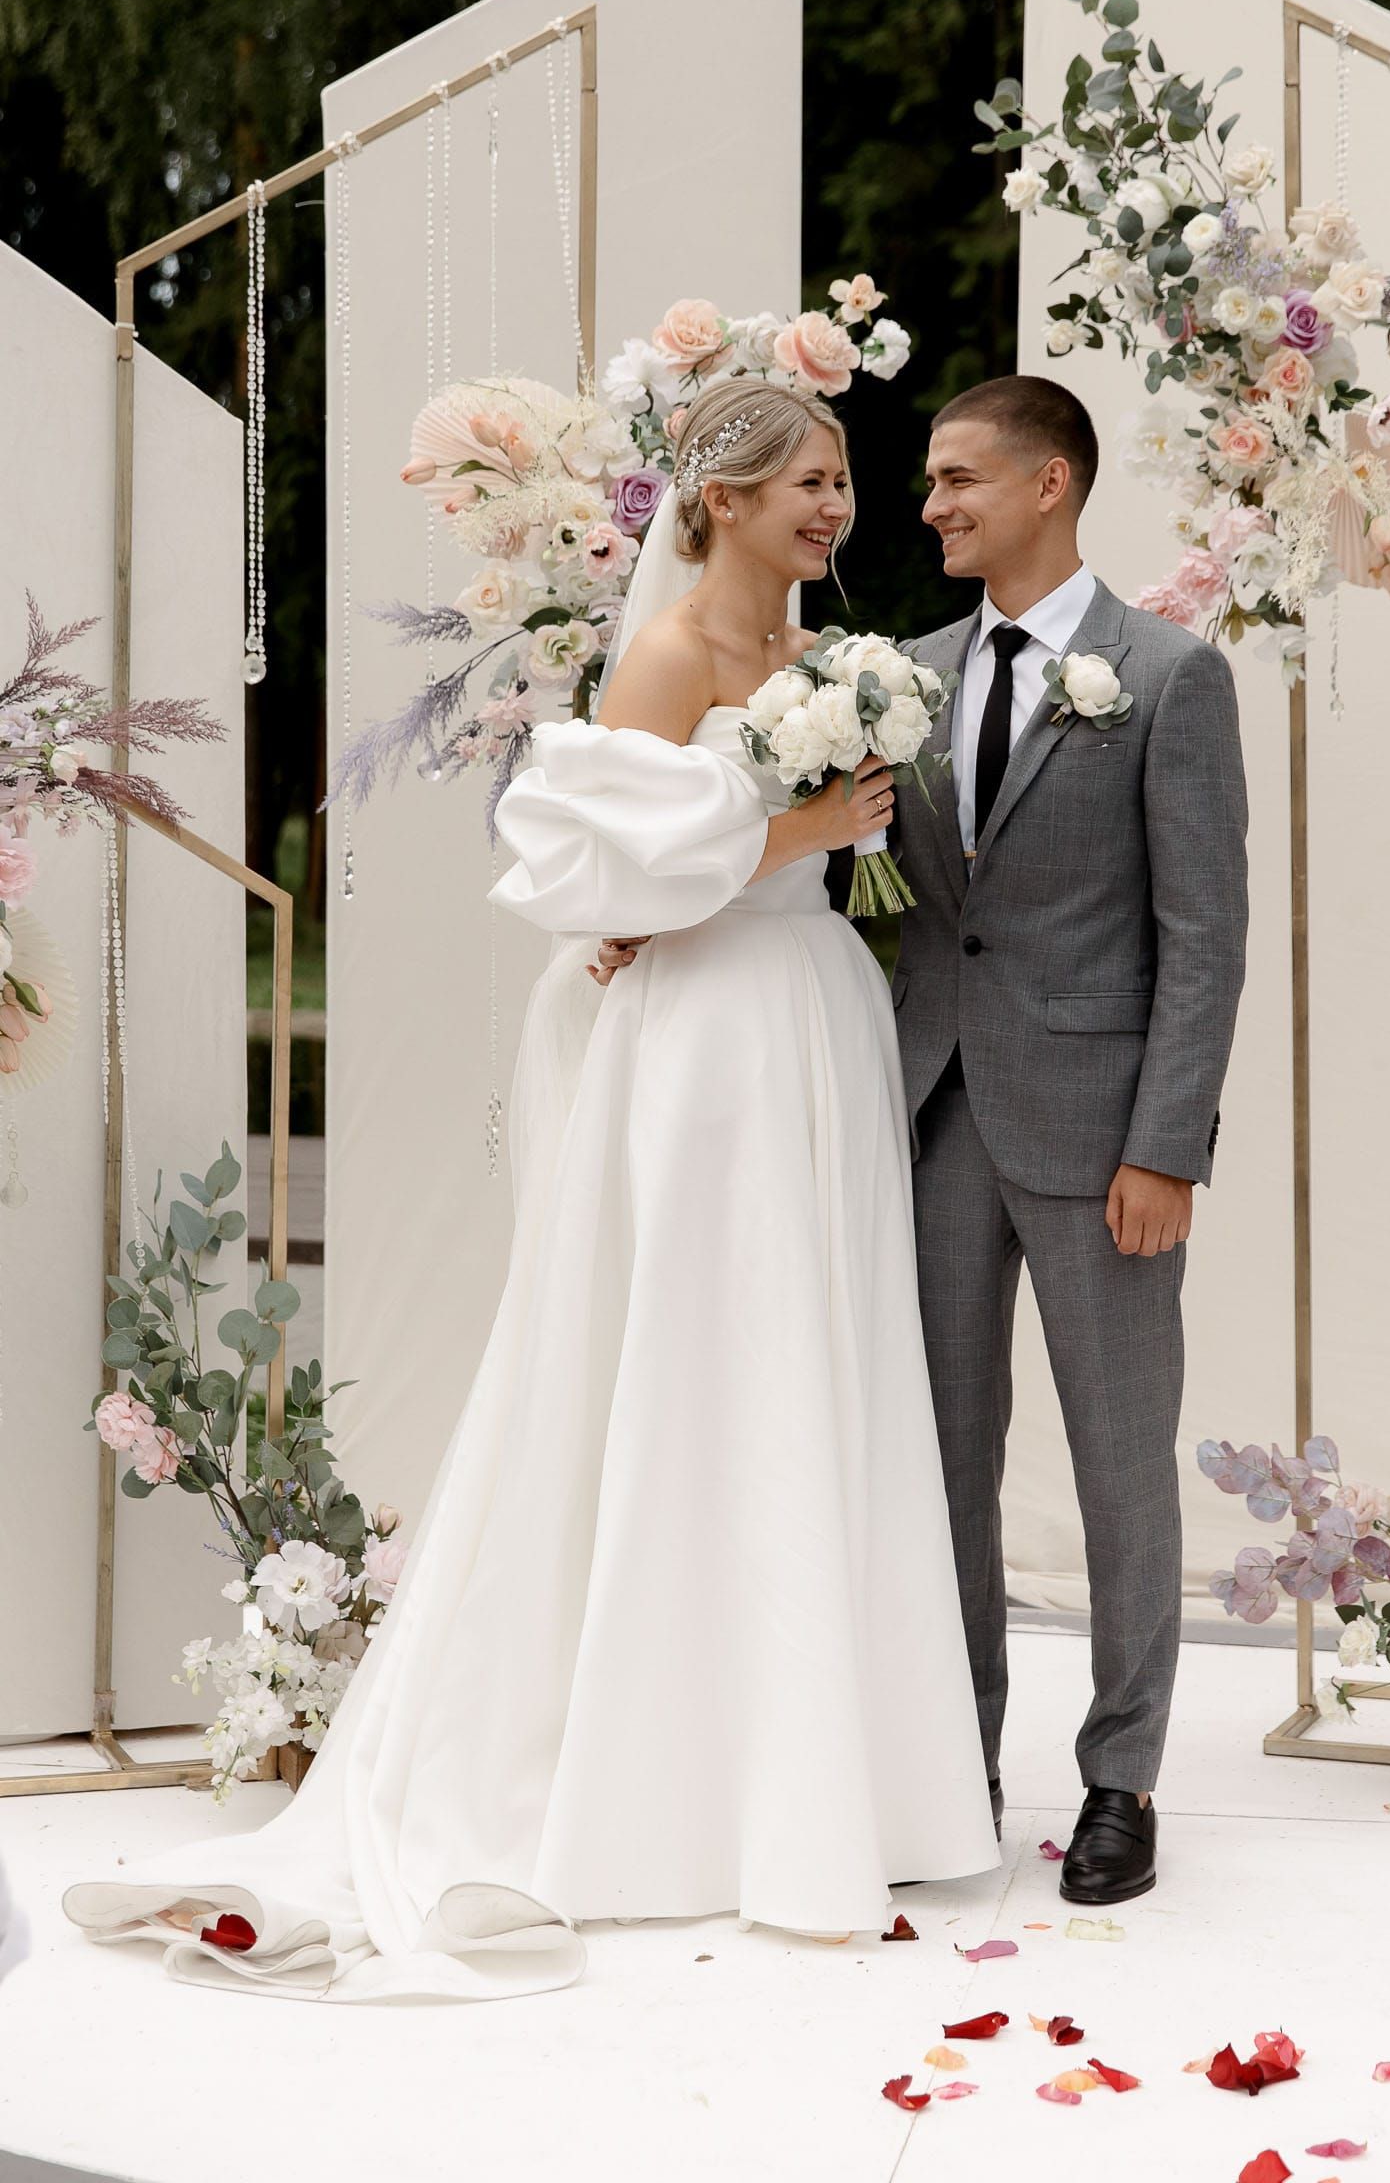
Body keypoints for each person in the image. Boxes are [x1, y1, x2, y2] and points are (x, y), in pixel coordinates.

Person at [61, 377, 999, 2003]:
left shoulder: (824, 663)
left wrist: (824, 832)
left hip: (817, 1020)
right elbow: (609, 867)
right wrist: (800, 834)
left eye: (845, 483)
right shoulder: (667, 656)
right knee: (703, 1364)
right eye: (809, 484)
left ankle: (818, 1774)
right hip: (710, 1048)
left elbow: (698, 860)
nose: (836, 510)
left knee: (816, 1366)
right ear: (719, 504)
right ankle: (659, 1789)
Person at [892, 373, 1249, 1907]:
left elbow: (1205, 933)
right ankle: (950, 1757)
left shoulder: (1166, 675)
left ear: (1051, 483)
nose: (932, 506)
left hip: (1106, 1137)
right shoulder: (900, 675)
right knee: (939, 1461)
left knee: (1118, 1461)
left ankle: (1122, 1781)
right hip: (929, 1116)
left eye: (960, 479)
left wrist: (1168, 1142)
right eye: (927, 482)